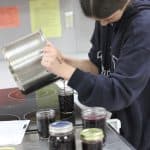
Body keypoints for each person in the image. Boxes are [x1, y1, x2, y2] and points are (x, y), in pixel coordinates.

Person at [41, 0, 150, 149]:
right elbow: (97, 66)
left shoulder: (143, 26)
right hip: (119, 125)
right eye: (98, 20)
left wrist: (66, 71)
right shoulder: (105, 16)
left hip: (142, 132)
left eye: (108, 19)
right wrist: (64, 61)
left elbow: (119, 92)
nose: (103, 24)